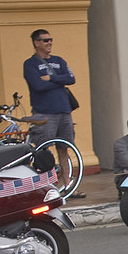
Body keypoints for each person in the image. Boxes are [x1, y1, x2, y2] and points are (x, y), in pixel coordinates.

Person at [23, 29, 85, 197]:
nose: (49, 43)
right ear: (36, 43)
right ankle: (48, 188)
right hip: (44, 114)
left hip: (64, 111)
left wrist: (51, 79)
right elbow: (38, 86)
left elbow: (71, 78)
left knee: (64, 149)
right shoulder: (30, 64)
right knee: (44, 151)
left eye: (50, 40)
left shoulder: (59, 60)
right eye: (45, 40)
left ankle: (69, 186)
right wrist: (60, 80)